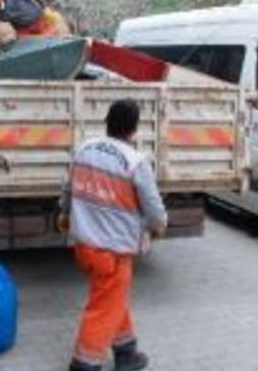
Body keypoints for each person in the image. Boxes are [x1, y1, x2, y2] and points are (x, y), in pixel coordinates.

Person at [59, 99, 168, 371]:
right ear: (134, 130)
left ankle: (125, 350)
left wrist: (64, 213)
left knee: (112, 298)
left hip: (85, 246)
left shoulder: (83, 149)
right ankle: (84, 363)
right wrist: (159, 226)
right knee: (104, 307)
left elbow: (67, 191)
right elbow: (154, 209)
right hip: (114, 252)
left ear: (106, 122)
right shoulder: (134, 162)